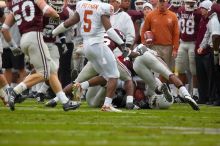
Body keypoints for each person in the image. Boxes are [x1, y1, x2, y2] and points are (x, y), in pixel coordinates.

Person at [2, 0, 80, 111]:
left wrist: (13, 46)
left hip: (24, 39)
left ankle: (65, 102)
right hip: (36, 37)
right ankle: (14, 91)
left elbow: (4, 29)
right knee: (44, 73)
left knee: (52, 70)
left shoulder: (16, 4)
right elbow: (48, 11)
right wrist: (56, 16)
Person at [52, 0, 129, 112]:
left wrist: (53, 32)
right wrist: (122, 45)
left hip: (86, 46)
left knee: (105, 76)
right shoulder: (103, 7)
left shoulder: (82, 4)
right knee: (114, 75)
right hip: (98, 46)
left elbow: (69, 22)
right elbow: (110, 31)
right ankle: (107, 105)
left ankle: (77, 91)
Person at [132, 44, 200, 110]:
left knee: (155, 87)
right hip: (143, 53)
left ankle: (160, 88)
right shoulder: (154, 54)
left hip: (136, 62)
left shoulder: (154, 95)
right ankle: (186, 94)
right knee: (170, 75)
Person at [141, 0, 179, 82]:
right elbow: (144, 30)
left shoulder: (173, 16)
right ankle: (155, 91)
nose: (162, 3)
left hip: (168, 47)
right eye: (160, 1)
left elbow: (176, 34)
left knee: (167, 70)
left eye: (164, 1)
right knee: (155, 70)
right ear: (158, 2)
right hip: (154, 46)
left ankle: (165, 90)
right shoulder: (151, 15)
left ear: (167, 2)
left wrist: (175, 48)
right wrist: (144, 43)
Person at [175, 0, 201, 100]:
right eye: (188, 2)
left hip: (193, 43)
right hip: (182, 42)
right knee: (180, 69)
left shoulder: (198, 13)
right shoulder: (181, 10)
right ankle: (182, 93)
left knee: (194, 70)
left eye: (191, 2)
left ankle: (195, 93)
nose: (189, 4)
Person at [198, 0, 220, 106]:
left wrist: (215, 53)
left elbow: (215, 36)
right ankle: (213, 98)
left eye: (203, 8)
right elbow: (207, 35)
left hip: (215, 49)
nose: (201, 11)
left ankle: (216, 98)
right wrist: (202, 47)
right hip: (213, 48)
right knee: (213, 75)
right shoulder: (210, 20)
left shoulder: (214, 20)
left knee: (216, 75)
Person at [195, 0, 214, 104]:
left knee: (209, 77)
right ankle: (202, 97)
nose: (201, 10)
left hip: (207, 52)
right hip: (199, 51)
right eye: (201, 8)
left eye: (203, 9)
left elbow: (208, 37)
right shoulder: (202, 19)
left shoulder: (211, 20)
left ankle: (210, 97)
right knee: (200, 76)